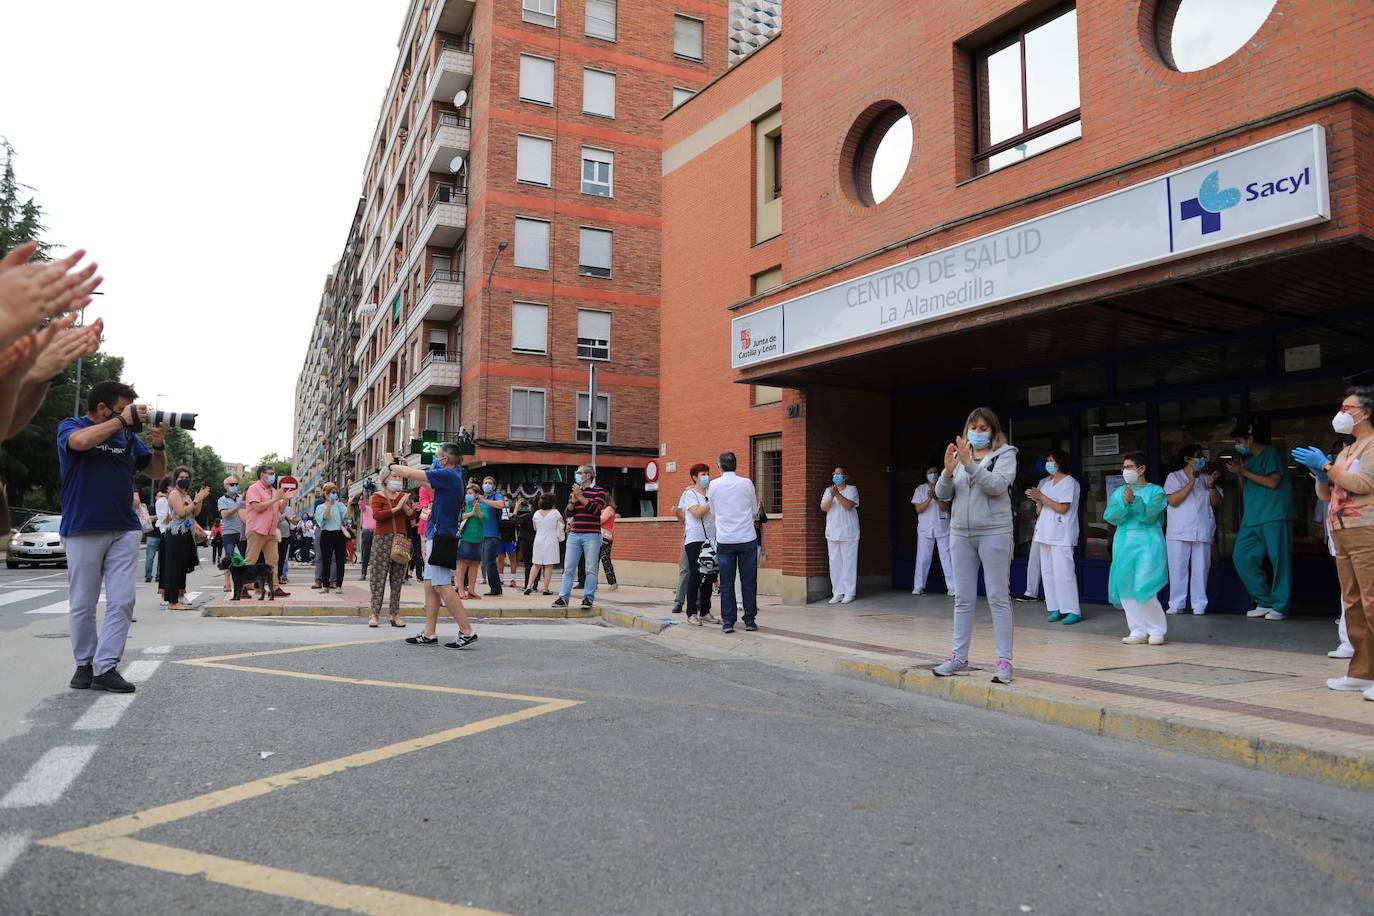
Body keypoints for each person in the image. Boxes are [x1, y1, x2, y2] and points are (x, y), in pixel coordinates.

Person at [58, 380, 167, 693]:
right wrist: (123, 421)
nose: (129, 416)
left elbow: (156, 473)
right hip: (83, 527)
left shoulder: (129, 437)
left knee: (122, 601)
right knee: (83, 602)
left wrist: (158, 445)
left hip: (125, 528)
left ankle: (106, 668)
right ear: (102, 408)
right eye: (121, 410)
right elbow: (79, 443)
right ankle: (84, 664)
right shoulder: (71, 426)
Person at [1293, 388, 1374, 695]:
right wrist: (1321, 476)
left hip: (1367, 529)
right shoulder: (1346, 450)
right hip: (1341, 530)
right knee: (1352, 604)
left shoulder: (1372, 446)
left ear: (1364, 412)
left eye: (1347, 407)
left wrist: (1328, 467)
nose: (1341, 413)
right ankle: (1363, 671)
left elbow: (1363, 484)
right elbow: (1328, 496)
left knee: (1372, 601)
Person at [932, 407, 1018, 684]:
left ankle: (1004, 661)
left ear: (993, 430)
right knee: (963, 598)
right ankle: (958, 658)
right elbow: (942, 495)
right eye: (973, 427)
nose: (977, 433)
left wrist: (969, 464)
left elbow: (996, 486)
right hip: (960, 533)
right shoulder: (959, 456)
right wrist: (947, 471)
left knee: (997, 597)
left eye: (983, 428)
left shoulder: (1005, 455)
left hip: (994, 531)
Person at [389, 446, 477, 649]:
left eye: (437, 458)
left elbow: (412, 474)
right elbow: (427, 484)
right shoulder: (452, 476)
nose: (435, 461)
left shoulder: (448, 474)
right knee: (430, 585)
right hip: (437, 534)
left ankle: (467, 631)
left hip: (441, 536)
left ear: (444, 460)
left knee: (441, 585)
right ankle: (429, 633)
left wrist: (390, 465)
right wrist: (405, 467)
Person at [1229, 418, 1294, 621]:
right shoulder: (1248, 462)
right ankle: (1264, 600)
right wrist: (1240, 473)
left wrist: (1244, 471)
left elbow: (1273, 482)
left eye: (1239, 440)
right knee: (1241, 556)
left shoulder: (1271, 454)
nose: (1237, 445)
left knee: (1279, 560)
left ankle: (1280, 606)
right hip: (1252, 517)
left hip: (1275, 514)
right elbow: (1243, 490)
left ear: (1250, 439)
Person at [1106, 452, 1169, 645]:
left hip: (1148, 543)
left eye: (1129, 467)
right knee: (1126, 586)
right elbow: (1111, 516)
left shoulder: (1156, 492)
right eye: (1124, 467)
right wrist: (1125, 504)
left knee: (1144, 586)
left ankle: (1156, 629)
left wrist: (1135, 502)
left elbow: (1150, 516)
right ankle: (1138, 630)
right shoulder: (1119, 492)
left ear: (1141, 469)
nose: (1126, 471)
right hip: (1124, 543)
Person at [1024, 450, 1082, 624]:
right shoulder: (1047, 484)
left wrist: (1042, 496)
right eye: (1047, 461)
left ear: (1061, 463)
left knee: (1064, 572)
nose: (1048, 464)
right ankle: (1055, 607)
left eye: (1052, 461)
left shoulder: (1070, 482)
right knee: (1048, 573)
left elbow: (1062, 508)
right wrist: (1038, 500)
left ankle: (1072, 609)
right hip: (1045, 533)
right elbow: (1040, 511)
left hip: (1062, 534)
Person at [1164, 444, 1222, 616]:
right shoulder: (1174, 477)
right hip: (1178, 531)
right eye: (1198, 456)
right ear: (1187, 459)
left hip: (1202, 530)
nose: (1202, 459)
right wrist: (1191, 481)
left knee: (1201, 569)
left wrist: (1211, 486)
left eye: (1203, 456)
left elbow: (1217, 502)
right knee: (1177, 569)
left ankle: (1199, 605)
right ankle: (1176, 604)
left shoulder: (1207, 478)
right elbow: (1173, 501)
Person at [707, 452, 759, 633]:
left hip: (725, 539)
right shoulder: (747, 483)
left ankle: (728, 621)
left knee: (727, 582)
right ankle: (750, 620)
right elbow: (754, 509)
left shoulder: (713, 485)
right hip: (747, 538)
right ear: (735, 465)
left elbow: (712, 512)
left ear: (720, 466)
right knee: (749, 581)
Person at [553, 465, 606, 611]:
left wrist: (581, 497)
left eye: (579, 472)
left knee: (590, 569)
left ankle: (588, 598)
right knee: (568, 568)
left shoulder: (599, 491)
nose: (577, 475)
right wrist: (573, 501)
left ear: (588, 475)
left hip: (592, 535)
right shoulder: (576, 492)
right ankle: (563, 598)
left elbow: (596, 510)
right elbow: (568, 513)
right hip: (575, 534)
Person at [367, 469, 415, 628]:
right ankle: (374, 614)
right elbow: (377, 516)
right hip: (382, 539)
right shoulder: (377, 497)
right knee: (378, 577)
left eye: (399, 477)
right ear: (385, 479)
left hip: (400, 538)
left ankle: (395, 614)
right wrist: (397, 507)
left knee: (397, 579)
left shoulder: (403, 496)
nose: (397, 479)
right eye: (394, 476)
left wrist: (407, 508)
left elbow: (411, 517)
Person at [161, 466, 209, 610]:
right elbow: (181, 513)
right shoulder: (174, 494)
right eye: (181, 478)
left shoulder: (186, 495)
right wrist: (195, 500)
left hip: (187, 533)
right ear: (175, 479)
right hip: (176, 533)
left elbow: (194, 514)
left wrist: (199, 500)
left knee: (182, 567)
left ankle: (180, 594)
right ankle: (172, 601)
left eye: (187, 478)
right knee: (174, 567)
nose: (184, 480)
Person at [678, 463, 717, 625]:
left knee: (710, 575)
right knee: (695, 575)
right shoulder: (690, 494)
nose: (706, 476)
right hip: (695, 539)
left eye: (707, 473)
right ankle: (691, 612)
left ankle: (705, 611)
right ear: (694, 477)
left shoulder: (711, 493)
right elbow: (697, 513)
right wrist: (713, 500)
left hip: (712, 539)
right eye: (703, 474)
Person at [243, 464, 292, 597]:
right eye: (270, 473)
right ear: (261, 474)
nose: (272, 476)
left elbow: (280, 509)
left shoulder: (273, 490)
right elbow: (258, 507)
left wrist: (285, 499)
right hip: (257, 530)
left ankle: (275, 588)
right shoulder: (254, 489)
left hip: (271, 531)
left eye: (273, 473)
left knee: (273, 560)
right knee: (251, 560)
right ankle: (243, 588)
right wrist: (276, 498)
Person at [911, 464, 954, 597]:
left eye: (935, 472)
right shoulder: (920, 489)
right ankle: (919, 586)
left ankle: (952, 588)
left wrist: (936, 497)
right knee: (923, 557)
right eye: (930, 472)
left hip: (942, 527)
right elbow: (918, 509)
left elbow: (945, 507)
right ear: (926, 474)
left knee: (947, 558)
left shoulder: (944, 487)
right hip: (925, 528)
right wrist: (929, 498)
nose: (933, 474)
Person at [821, 465, 860, 604]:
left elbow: (849, 505)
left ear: (845, 477)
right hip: (833, 531)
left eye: (839, 474)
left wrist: (837, 494)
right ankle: (837, 592)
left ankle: (849, 592)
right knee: (834, 562)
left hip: (849, 531)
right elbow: (824, 507)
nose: (836, 476)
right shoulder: (828, 490)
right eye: (834, 474)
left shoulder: (852, 489)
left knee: (848, 562)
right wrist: (832, 495)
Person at [313, 482, 348, 593]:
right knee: (326, 560)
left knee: (340, 560)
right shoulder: (320, 507)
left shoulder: (340, 505)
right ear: (326, 493)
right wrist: (328, 503)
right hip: (326, 534)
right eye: (332, 492)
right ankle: (325, 585)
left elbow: (347, 516)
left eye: (335, 491)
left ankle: (338, 585)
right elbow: (325, 518)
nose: (335, 494)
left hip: (339, 534)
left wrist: (350, 504)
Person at [527, 494, 562, 595]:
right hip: (551, 540)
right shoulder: (556, 513)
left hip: (538, 539)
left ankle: (529, 586)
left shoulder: (536, 513)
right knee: (548, 565)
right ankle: (545, 589)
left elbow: (535, 528)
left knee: (536, 564)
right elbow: (561, 524)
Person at [457, 482, 487, 600]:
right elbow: (458, 516)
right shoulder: (463, 505)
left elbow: (485, 519)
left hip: (478, 538)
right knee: (462, 564)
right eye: (467, 493)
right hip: (465, 538)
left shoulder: (482, 506)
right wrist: (471, 513)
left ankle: (471, 590)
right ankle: (460, 590)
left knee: (474, 564)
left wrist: (478, 511)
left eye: (470, 493)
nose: (468, 495)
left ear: (476, 495)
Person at [477, 475, 505, 596]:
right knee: (482, 562)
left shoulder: (496, 496)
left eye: (489, 483)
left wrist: (483, 500)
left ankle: (495, 588)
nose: (486, 485)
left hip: (492, 534)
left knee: (489, 562)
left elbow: (500, 504)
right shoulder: (480, 497)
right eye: (485, 482)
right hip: (480, 534)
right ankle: (495, 587)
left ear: (493, 486)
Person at [144, 478, 169, 584]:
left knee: (162, 558)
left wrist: (161, 516)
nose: (161, 498)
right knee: (150, 557)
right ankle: (148, 576)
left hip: (163, 534)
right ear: (155, 497)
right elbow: (147, 518)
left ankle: (159, 575)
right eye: (160, 496)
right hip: (152, 535)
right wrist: (159, 516)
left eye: (163, 496)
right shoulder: (152, 507)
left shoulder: (167, 505)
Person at [512, 495, 537, 592]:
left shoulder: (528, 516)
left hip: (526, 541)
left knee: (528, 564)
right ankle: (535, 585)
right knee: (536, 563)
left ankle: (527, 584)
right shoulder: (539, 515)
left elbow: (514, 520)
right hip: (536, 540)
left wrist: (516, 508)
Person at [598, 493, 620, 592]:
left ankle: (613, 582)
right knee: (597, 559)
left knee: (605, 559)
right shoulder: (604, 509)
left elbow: (601, 520)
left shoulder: (609, 509)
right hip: (600, 536)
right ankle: (593, 583)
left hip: (605, 537)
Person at [356, 480, 376, 581]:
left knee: (376, 554)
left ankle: (375, 573)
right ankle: (363, 573)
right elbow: (361, 504)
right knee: (365, 553)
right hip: (367, 532)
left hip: (376, 532)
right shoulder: (366, 508)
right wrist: (364, 494)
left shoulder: (378, 509)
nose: (373, 501)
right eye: (372, 500)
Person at [498, 498, 519, 588]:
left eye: (507, 500)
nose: (505, 502)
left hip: (510, 538)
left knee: (512, 558)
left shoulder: (512, 512)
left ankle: (513, 579)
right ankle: (500, 579)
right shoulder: (498, 511)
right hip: (500, 538)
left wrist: (515, 511)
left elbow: (514, 521)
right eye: (504, 500)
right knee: (500, 558)